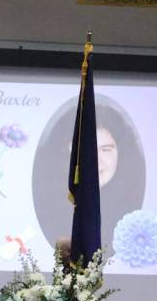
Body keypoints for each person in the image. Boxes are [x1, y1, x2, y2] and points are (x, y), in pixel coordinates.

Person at [32, 99, 146, 252]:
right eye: (85, 150)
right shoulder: (45, 205)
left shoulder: (134, 208)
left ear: (121, 154)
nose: (94, 161)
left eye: (106, 150)